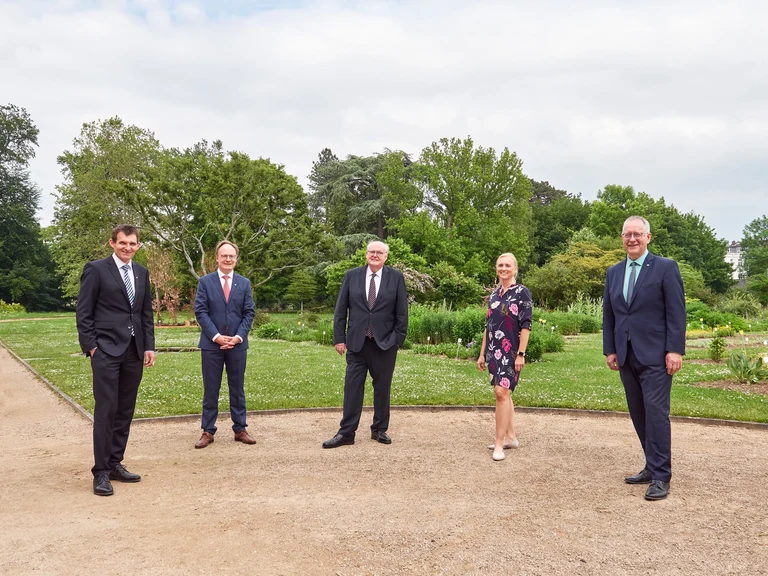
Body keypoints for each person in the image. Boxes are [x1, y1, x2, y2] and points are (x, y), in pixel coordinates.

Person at [603, 215, 685, 501]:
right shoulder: (614, 272)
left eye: (638, 234)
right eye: (627, 234)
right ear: (622, 237)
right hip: (626, 354)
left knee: (656, 413)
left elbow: (676, 312)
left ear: (648, 237)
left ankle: (662, 476)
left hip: (657, 355)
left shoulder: (665, 268)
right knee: (638, 413)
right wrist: (610, 349)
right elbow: (610, 314)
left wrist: (675, 349)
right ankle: (651, 466)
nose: (632, 239)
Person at [76, 224, 156, 496]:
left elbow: (145, 314)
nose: (128, 248)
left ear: (138, 246)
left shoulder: (142, 273)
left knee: (125, 410)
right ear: (112, 243)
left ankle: (114, 463)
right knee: (106, 410)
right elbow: (84, 311)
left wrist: (149, 347)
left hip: (134, 351)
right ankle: (100, 473)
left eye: (133, 244)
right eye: (123, 243)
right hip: (106, 351)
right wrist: (91, 347)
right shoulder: (96, 269)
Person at [323, 241, 408, 448]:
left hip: (385, 343)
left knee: (382, 388)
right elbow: (341, 309)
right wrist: (339, 338)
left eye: (380, 252)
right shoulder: (352, 275)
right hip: (356, 343)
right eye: (372, 251)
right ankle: (346, 433)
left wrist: (397, 339)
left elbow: (402, 312)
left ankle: (379, 429)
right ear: (366, 254)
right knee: (352, 387)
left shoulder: (395, 277)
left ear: (386, 256)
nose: (375, 255)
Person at [194, 240, 256, 449]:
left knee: (237, 388)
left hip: (238, 345)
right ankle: (208, 431)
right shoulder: (205, 282)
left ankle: (240, 429)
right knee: (211, 388)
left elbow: (249, 313)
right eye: (224, 256)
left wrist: (238, 337)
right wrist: (216, 336)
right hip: (212, 345)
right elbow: (200, 312)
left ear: (236, 259)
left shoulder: (244, 283)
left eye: (231, 256)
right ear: (217, 258)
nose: (228, 259)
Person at [477, 253, 532, 462]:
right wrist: (482, 353)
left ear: (515, 269)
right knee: (503, 394)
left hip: (511, 352)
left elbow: (526, 325)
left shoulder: (522, 293)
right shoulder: (494, 295)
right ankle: (511, 437)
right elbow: (488, 326)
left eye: (508, 265)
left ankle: (499, 444)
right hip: (493, 350)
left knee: (501, 393)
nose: (503, 268)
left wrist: (521, 354)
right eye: (500, 265)